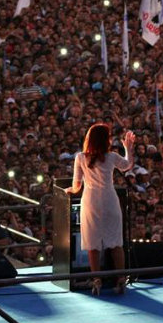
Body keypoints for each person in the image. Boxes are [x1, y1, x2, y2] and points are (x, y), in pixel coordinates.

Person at [65, 124, 135, 295]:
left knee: (93, 243)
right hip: (110, 200)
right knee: (116, 243)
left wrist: (67, 191)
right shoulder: (111, 157)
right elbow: (127, 166)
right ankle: (120, 280)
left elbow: (76, 186)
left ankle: (96, 280)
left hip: (91, 201)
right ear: (106, 139)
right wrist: (129, 149)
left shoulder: (81, 157)